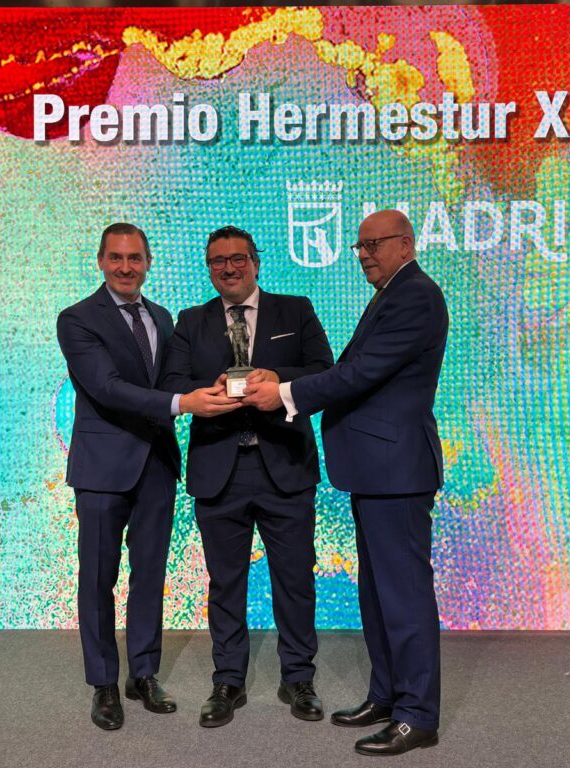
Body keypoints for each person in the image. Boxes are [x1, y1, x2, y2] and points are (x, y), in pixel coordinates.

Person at [244, 210, 448, 756]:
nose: (364, 255)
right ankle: (387, 696)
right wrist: (283, 380)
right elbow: (351, 370)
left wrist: (284, 394)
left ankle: (417, 715)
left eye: (374, 245)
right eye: (360, 247)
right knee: (379, 595)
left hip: (397, 471)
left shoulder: (416, 295)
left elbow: (361, 373)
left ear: (406, 245)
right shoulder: (392, 292)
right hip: (376, 470)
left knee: (403, 596)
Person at [57, 222, 241, 731]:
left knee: (150, 576)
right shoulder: (77, 319)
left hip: (156, 465)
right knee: (98, 578)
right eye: (116, 257)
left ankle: (143, 674)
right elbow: (107, 387)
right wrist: (183, 403)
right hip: (102, 469)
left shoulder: (161, 317)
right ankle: (103, 684)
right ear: (100, 261)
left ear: (148, 262)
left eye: (134, 258)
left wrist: (215, 388)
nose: (125, 267)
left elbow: (172, 381)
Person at [160, 225, 334, 727]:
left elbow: (324, 371)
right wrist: (207, 391)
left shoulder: (295, 310)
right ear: (209, 268)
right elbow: (172, 383)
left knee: (295, 580)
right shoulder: (190, 321)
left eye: (238, 258)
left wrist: (279, 380)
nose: (229, 268)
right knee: (225, 583)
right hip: (220, 471)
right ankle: (228, 680)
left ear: (256, 263)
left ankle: (298, 677)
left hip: (285, 468)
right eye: (218, 261)